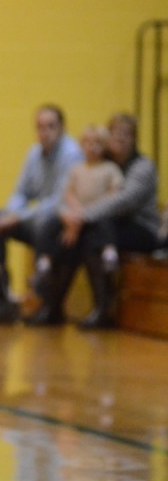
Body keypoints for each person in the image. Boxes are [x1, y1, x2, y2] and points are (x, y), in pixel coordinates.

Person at [53, 112, 162, 328]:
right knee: (62, 230)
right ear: (107, 137)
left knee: (93, 233)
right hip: (107, 225)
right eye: (115, 133)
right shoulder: (98, 164)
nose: (120, 138)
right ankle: (53, 305)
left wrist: (82, 216)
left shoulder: (143, 166)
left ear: (134, 139)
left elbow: (124, 201)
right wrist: (69, 215)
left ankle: (103, 308)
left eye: (126, 134)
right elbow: (69, 191)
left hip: (142, 229)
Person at [27, 124, 124, 327]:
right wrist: (73, 216)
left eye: (97, 144)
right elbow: (66, 195)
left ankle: (102, 305)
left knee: (94, 237)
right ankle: (47, 276)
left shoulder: (110, 169)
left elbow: (115, 196)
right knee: (53, 229)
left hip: (97, 218)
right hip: (75, 218)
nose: (92, 148)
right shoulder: (76, 169)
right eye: (87, 143)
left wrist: (84, 216)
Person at [0, 104, 83, 318]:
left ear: (62, 128)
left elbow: (59, 200)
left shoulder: (72, 154)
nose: (45, 132)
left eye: (51, 126)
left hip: (63, 219)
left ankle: (44, 295)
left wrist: (20, 216)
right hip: (36, 218)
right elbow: (21, 191)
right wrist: (10, 213)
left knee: (46, 223)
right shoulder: (33, 154)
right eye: (40, 127)